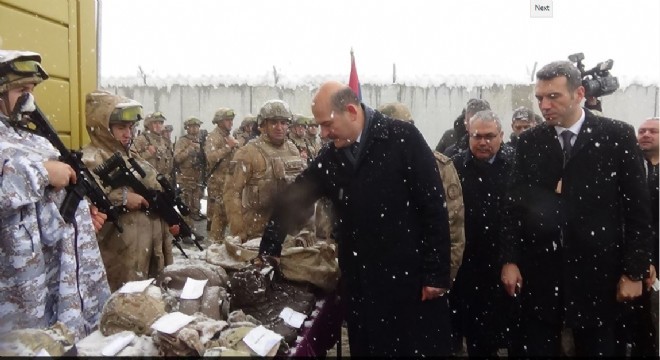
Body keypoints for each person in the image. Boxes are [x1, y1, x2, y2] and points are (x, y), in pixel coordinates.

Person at [259, 81, 452, 356]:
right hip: (362, 282)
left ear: (351, 111)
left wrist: (436, 273)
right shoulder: (332, 157)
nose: (323, 133)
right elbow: (296, 198)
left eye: (327, 124)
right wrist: (270, 246)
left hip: (408, 280)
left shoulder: (402, 138)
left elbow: (434, 206)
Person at [499, 60, 654, 356]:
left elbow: (638, 210)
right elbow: (513, 208)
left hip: (599, 276)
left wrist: (634, 272)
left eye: (553, 96)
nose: (544, 105)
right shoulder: (531, 142)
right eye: (539, 98)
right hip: (541, 276)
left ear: (579, 93)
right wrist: (509, 259)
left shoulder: (616, 136)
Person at [0, 50, 110, 340]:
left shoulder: (31, 138)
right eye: (21, 89)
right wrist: (42, 173)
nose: (30, 99)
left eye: (32, 89)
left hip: (67, 286)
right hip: (20, 299)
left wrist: (81, 218)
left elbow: (44, 204)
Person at [81, 90, 175, 292]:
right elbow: (86, 198)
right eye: (121, 127)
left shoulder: (132, 155)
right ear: (103, 128)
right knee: (122, 302)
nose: (128, 133)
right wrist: (122, 198)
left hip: (147, 247)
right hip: (119, 251)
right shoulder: (92, 158)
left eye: (131, 127)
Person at [377, 101, 465, 283]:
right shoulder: (369, 166)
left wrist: (442, 276)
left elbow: (453, 228)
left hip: (424, 272)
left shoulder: (439, 166)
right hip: (380, 273)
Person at [450, 110, 515, 356]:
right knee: (477, 338)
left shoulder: (516, 165)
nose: (483, 142)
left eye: (490, 136)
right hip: (469, 265)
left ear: (501, 136)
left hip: (506, 261)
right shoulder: (454, 167)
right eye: (477, 136)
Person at [223, 100, 305, 242]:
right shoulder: (248, 153)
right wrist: (239, 231)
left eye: (283, 122)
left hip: (289, 231)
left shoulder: (292, 150)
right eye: (273, 122)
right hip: (256, 233)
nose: (279, 127)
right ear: (262, 125)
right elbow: (231, 193)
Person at [205, 107, 240, 242]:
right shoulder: (214, 137)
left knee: (225, 212)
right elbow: (211, 157)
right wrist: (228, 147)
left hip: (228, 181)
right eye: (227, 120)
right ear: (219, 121)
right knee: (218, 215)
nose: (231, 123)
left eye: (231, 120)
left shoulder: (228, 136)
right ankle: (215, 242)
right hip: (217, 181)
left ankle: (221, 241)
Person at [174, 117, 206, 226]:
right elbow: (177, 158)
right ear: (187, 128)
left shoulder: (201, 140)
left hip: (197, 176)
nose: (195, 129)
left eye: (196, 126)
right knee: (186, 203)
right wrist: (189, 149)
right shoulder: (182, 141)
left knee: (197, 199)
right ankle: (186, 227)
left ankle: (196, 214)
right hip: (186, 177)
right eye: (192, 126)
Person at [132, 111, 173, 183]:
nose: (158, 126)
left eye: (160, 123)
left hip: (164, 181)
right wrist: (148, 153)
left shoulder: (164, 141)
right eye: (155, 123)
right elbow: (132, 160)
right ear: (148, 125)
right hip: (148, 181)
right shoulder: (141, 139)